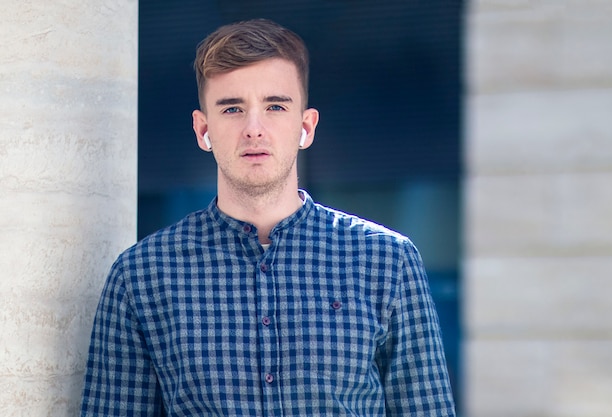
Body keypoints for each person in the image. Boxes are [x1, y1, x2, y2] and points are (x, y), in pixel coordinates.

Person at [81, 18, 456, 416]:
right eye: (232, 108)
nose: (253, 129)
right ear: (203, 129)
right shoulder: (141, 275)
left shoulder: (387, 260)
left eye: (275, 106)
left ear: (305, 127)